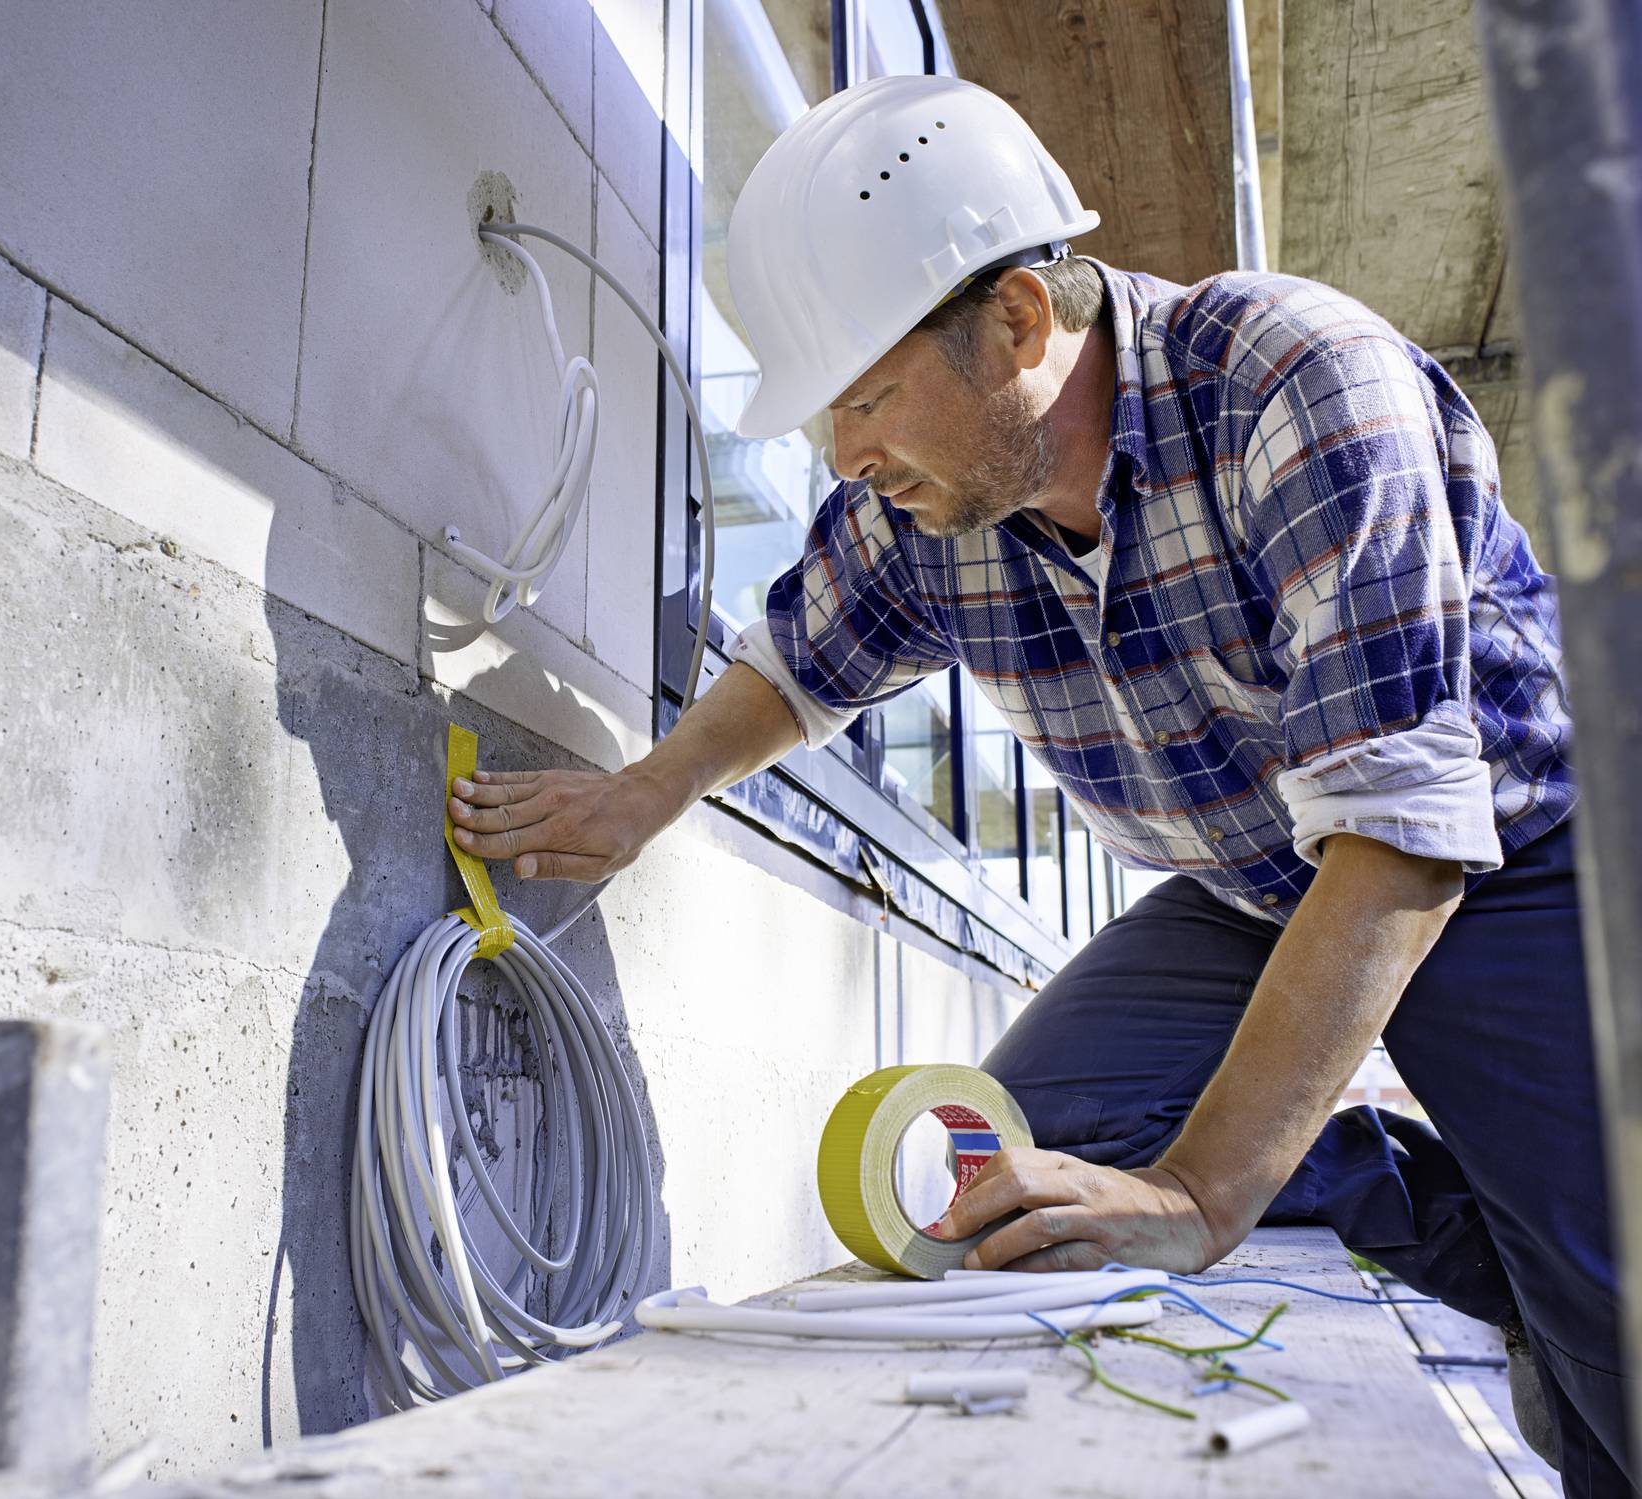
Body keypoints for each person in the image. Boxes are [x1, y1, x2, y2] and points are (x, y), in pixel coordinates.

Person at [444, 75, 1622, 1493]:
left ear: (1017, 321)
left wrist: (1198, 1196)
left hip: (1509, 855)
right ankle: (1507, 1230)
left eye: (869, 395)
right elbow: (802, 663)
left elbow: (1401, 834)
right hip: (1256, 884)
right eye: (831, 413)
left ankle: (1564, 1284)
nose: (847, 454)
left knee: (1616, 1327)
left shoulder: (1297, 383)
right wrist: (644, 796)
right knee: (1029, 1161)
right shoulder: (932, 506)